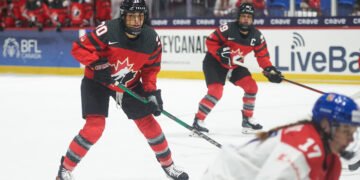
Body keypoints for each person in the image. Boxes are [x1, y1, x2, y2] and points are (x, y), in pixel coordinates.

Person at [55, 0, 189, 180]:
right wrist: (97, 65)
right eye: (132, 16)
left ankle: (168, 165)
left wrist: (151, 93)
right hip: (97, 82)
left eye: (140, 17)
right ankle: (65, 169)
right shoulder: (108, 30)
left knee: (150, 125)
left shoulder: (152, 40)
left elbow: (150, 70)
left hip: (129, 86)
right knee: (94, 128)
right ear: (123, 16)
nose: (136, 21)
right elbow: (78, 48)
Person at [202, 92, 360, 179]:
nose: (350, 139)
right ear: (326, 126)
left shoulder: (331, 161)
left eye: (353, 132)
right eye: (346, 131)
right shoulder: (303, 150)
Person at [192, 2, 283, 134]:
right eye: (243, 16)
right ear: (238, 17)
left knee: (252, 87)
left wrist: (270, 69)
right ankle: (198, 120)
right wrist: (219, 51)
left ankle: (247, 119)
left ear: (252, 19)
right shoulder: (227, 28)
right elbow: (210, 41)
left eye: (249, 16)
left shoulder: (257, 36)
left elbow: (262, 56)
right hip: (214, 63)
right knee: (216, 92)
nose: (246, 18)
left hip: (234, 65)